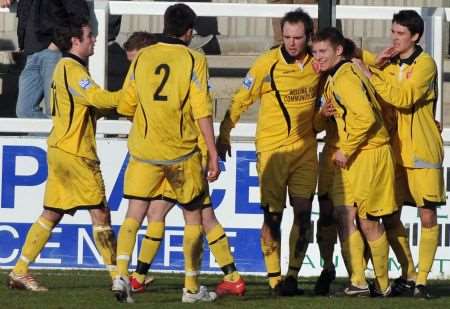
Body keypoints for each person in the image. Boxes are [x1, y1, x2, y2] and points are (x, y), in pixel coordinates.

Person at [119, 32, 246, 297]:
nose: (135, 63)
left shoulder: (177, 63)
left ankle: (143, 277)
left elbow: (199, 110)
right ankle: (141, 276)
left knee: (197, 216)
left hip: (187, 152)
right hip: (176, 151)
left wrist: (210, 152)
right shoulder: (182, 63)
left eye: (135, 58)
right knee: (169, 214)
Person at [113, 3, 221, 303]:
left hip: (145, 151)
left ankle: (121, 274)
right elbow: (202, 109)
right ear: (189, 32)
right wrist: (212, 152)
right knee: (193, 217)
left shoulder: (144, 56)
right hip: (181, 152)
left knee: (135, 212)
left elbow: (125, 104)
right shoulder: (193, 58)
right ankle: (190, 287)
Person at [6, 17, 120, 292]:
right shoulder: (71, 68)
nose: (94, 40)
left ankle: (20, 271)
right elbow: (98, 99)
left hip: (61, 147)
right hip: (75, 152)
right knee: (101, 213)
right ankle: (119, 276)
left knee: (52, 212)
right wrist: (134, 95)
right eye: (89, 36)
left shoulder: (68, 68)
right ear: (75, 41)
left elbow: (88, 106)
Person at [217, 8, 319, 296]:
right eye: (287, 36)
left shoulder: (317, 64)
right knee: (272, 217)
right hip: (273, 152)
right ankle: (274, 279)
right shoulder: (266, 65)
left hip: (306, 152)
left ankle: (292, 278)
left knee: (303, 214)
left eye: (298, 37)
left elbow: (347, 58)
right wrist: (224, 134)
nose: (291, 43)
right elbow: (240, 100)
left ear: (308, 36)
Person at [355, 10, 446, 299]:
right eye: (393, 32)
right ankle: (407, 274)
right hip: (392, 152)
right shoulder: (390, 63)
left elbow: (403, 97)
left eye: (400, 34)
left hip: (421, 151)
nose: (394, 38)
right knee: (391, 215)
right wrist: (378, 66)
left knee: (427, 214)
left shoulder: (426, 64)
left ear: (415, 36)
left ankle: (421, 281)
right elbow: (361, 58)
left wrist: (373, 74)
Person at [312, 27, 400, 297]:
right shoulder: (336, 76)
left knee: (369, 221)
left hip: (369, 153)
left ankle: (384, 285)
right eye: (315, 52)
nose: (318, 57)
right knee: (345, 214)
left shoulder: (345, 79)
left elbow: (366, 118)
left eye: (323, 51)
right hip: (358, 154)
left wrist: (346, 149)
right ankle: (359, 282)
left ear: (338, 50)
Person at [0, 0, 90, 119]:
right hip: (31, 54)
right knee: (24, 111)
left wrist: (57, 42)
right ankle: (49, 137)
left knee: (54, 109)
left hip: (53, 53)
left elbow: (80, 14)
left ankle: (59, 136)